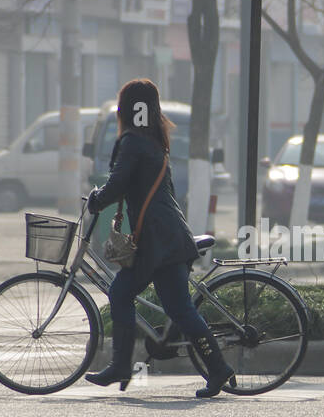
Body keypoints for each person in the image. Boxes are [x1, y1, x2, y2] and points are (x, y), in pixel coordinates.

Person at [84, 79, 236, 398]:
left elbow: (117, 183)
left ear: (127, 109)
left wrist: (96, 199)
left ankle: (121, 366)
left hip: (157, 239)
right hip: (168, 235)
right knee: (180, 309)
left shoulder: (133, 141)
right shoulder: (153, 140)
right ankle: (218, 368)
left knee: (121, 292)